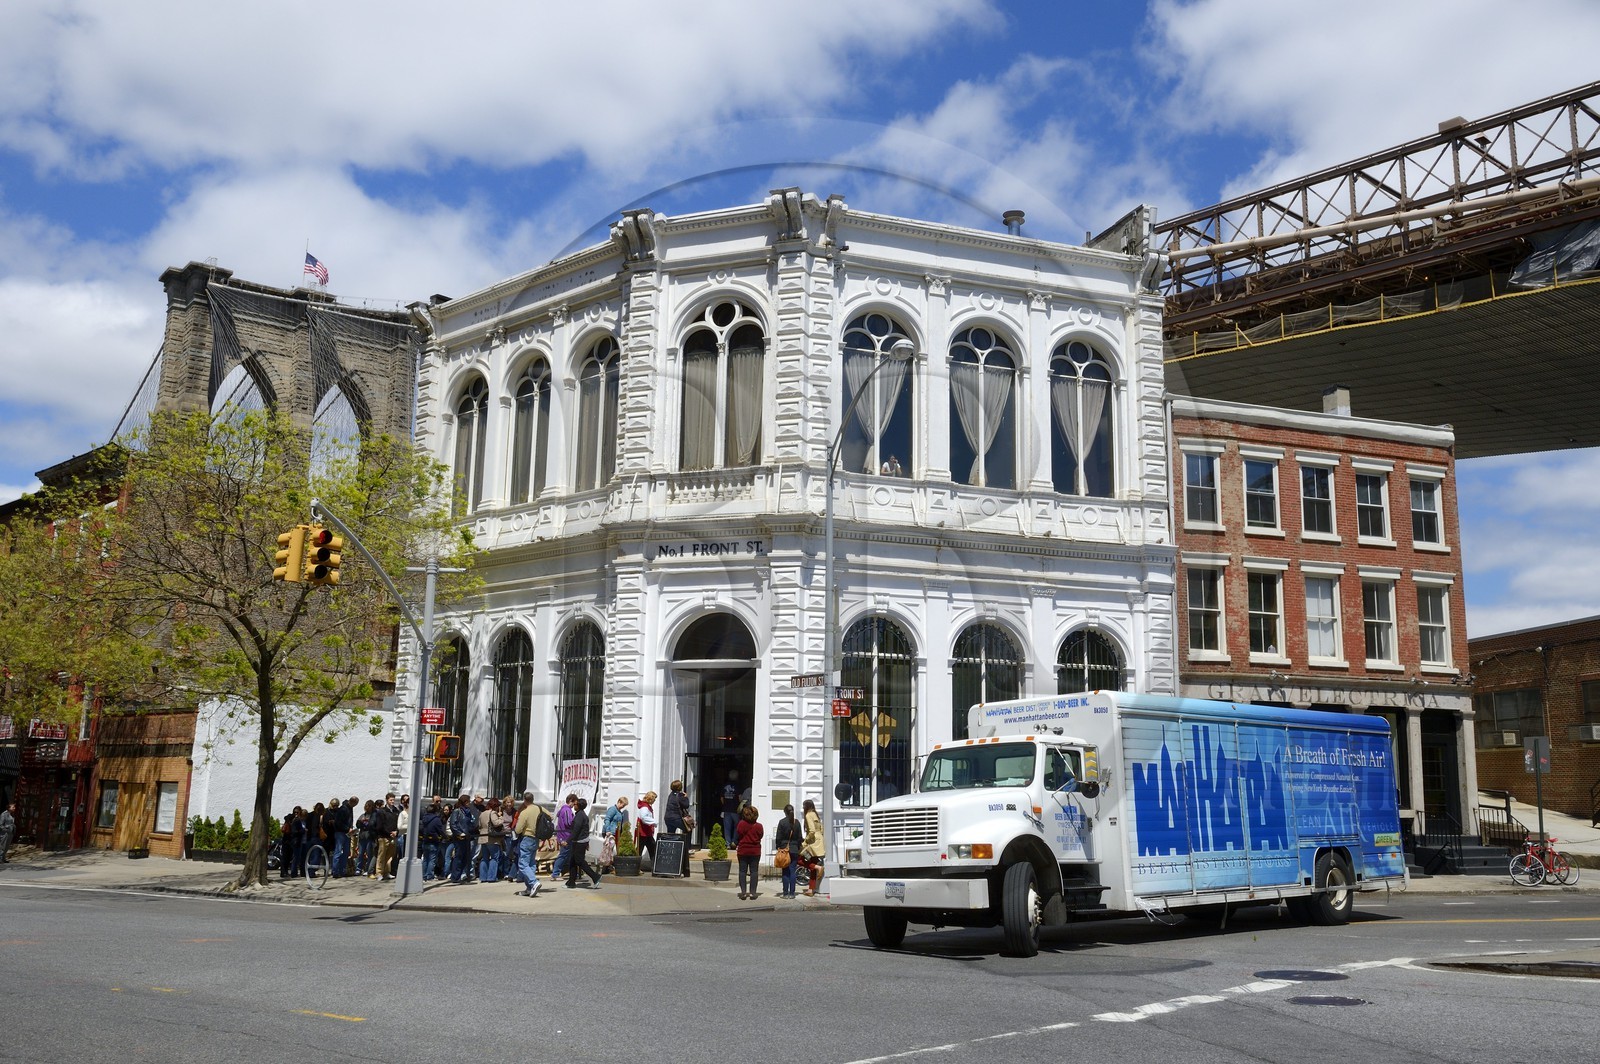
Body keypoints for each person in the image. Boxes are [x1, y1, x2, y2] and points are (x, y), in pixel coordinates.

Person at [564, 797, 602, 889]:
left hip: (579, 842)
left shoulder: (580, 816)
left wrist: (567, 841)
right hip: (580, 841)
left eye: (575, 804)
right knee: (572, 861)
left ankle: (595, 877)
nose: (574, 805)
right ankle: (571, 882)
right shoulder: (581, 815)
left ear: (579, 806)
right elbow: (585, 829)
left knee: (579, 861)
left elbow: (576, 831)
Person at [511, 792, 543, 897]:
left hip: (527, 838)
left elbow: (518, 829)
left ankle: (534, 882)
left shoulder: (524, 812)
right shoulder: (539, 808)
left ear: (524, 800)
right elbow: (550, 816)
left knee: (523, 864)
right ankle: (529, 888)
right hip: (536, 838)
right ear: (533, 799)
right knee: (531, 864)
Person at [663, 779, 693, 876]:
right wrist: (686, 797)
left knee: (671, 834)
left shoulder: (671, 795)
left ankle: (671, 850)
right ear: (680, 787)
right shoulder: (680, 796)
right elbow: (686, 805)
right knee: (688, 829)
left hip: (668, 818)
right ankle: (686, 848)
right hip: (676, 818)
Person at [734, 804, 764, 900]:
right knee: (754, 871)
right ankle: (753, 892)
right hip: (755, 851)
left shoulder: (741, 824)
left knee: (742, 871)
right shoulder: (759, 826)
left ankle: (743, 892)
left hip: (743, 850)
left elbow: (738, 835)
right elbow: (760, 836)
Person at [773, 803, 802, 898]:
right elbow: (800, 837)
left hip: (784, 849)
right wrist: (798, 847)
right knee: (792, 871)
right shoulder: (797, 822)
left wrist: (778, 846)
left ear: (785, 812)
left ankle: (785, 893)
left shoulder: (782, 822)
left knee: (785, 871)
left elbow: (778, 837)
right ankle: (792, 893)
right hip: (794, 849)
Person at [447, 794, 476, 883]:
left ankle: (460, 876)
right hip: (460, 838)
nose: (469, 803)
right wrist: (459, 833)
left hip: (467, 837)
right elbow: (453, 824)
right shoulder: (457, 811)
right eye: (468, 801)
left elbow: (469, 823)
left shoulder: (468, 812)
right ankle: (455, 877)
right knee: (459, 857)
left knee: (465, 858)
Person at [550, 794, 578, 883]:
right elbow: (568, 823)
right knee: (563, 855)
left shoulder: (564, 809)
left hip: (564, 835)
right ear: (571, 801)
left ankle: (570, 872)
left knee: (568, 855)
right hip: (565, 836)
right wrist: (576, 823)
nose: (574, 805)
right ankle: (555, 874)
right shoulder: (567, 810)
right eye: (574, 803)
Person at [800, 798, 825, 896]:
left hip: (812, 842)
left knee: (800, 859)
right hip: (819, 841)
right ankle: (811, 890)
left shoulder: (808, 815)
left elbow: (811, 831)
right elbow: (821, 829)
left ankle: (818, 867)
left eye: (803, 806)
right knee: (812, 864)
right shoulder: (815, 814)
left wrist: (805, 841)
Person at [477, 797, 505, 883]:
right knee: (494, 858)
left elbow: (479, 825)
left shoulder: (482, 813)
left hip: (483, 837)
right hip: (492, 838)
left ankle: (483, 877)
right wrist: (501, 818)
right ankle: (491, 877)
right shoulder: (493, 813)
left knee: (484, 858)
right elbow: (496, 823)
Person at [419, 800, 447, 882]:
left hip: (425, 840)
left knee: (425, 859)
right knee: (432, 859)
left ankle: (423, 875)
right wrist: (444, 837)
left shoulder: (424, 819)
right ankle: (430, 876)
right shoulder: (436, 819)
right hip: (434, 841)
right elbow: (440, 830)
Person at [601, 796, 629, 871]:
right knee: (608, 850)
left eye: (624, 806)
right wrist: (607, 831)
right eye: (623, 805)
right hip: (611, 833)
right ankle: (605, 868)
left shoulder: (619, 812)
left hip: (616, 833)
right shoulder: (613, 809)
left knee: (610, 850)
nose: (623, 807)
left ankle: (608, 866)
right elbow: (607, 819)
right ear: (619, 802)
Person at [330, 796, 354, 877]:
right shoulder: (343, 809)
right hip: (340, 833)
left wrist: (351, 828)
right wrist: (348, 828)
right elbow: (338, 822)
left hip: (347, 833)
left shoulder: (350, 808)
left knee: (346, 852)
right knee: (338, 851)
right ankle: (335, 871)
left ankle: (342, 871)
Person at [635, 791, 657, 867]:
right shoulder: (644, 807)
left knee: (652, 849)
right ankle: (636, 866)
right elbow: (644, 818)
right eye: (654, 799)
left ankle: (654, 867)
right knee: (640, 850)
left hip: (647, 832)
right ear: (651, 798)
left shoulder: (646, 806)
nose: (655, 800)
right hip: (643, 832)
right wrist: (654, 822)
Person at [720, 770, 742, 845]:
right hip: (735, 809)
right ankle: (734, 841)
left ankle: (728, 843)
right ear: (737, 776)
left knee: (727, 827)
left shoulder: (725, 785)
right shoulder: (738, 786)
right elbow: (740, 798)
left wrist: (725, 804)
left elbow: (722, 798)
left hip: (726, 809)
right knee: (737, 825)